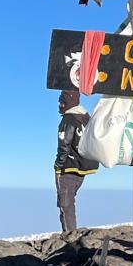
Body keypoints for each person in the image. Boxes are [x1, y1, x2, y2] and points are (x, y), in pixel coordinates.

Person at [54, 89, 98, 233]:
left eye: (62, 101)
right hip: (84, 167)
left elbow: (64, 144)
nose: (59, 104)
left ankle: (69, 236)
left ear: (68, 102)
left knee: (65, 203)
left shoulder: (69, 119)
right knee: (69, 200)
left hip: (69, 167)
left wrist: (58, 166)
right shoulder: (86, 118)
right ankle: (71, 233)